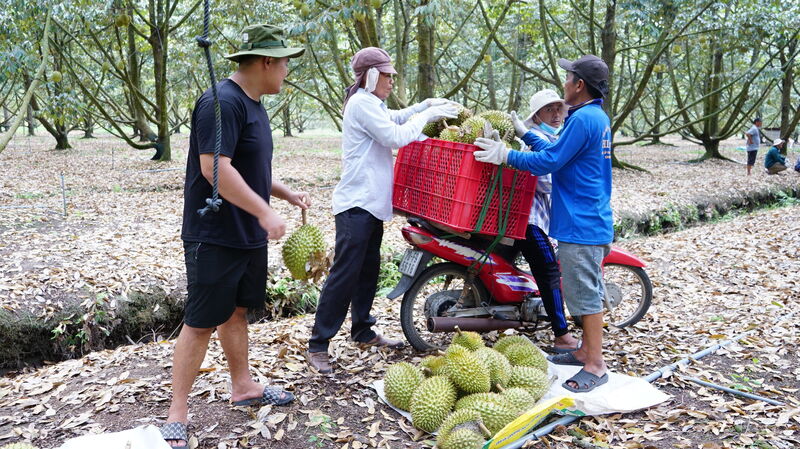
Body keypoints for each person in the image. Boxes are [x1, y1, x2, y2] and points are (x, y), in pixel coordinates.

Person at [161, 24, 308, 449]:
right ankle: (177, 412)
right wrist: (265, 212)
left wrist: (282, 192)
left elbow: (247, 166)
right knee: (201, 321)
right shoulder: (220, 102)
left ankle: (242, 386)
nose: (286, 72)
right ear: (265, 61)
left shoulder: (254, 104)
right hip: (216, 234)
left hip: (246, 233)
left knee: (237, 312)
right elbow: (214, 169)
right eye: (283, 63)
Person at [306, 47, 458, 374]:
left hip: (371, 206)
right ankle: (319, 344)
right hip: (355, 205)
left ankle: (362, 330)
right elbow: (396, 135)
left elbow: (395, 118)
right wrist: (427, 116)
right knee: (344, 274)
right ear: (371, 76)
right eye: (386, 75)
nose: (390, 81)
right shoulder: (361, 103)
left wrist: (425, 106)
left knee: (367, 271)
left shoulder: (373, 104)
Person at [473, 54, 613, 393]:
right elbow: (559, 151)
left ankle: (596, 365)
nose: (563, 83)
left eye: (568, 78)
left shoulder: (583, 120)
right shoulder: (592, 117)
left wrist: (506, 155)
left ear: (579, 85)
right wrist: (526, 134)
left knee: (585, 297)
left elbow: (550, 161)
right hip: (585, 217)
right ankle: (583, 351)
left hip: (582, 222)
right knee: (583, 292)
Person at [513, 89, 581, 354]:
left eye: (557, 109)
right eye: (548, 110)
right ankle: (562, 335)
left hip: (534, 217)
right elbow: (544, 180)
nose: (555, 114)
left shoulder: (554, 139)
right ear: (537, 115)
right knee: (549, 272)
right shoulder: (535, 140)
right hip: (530, 220)